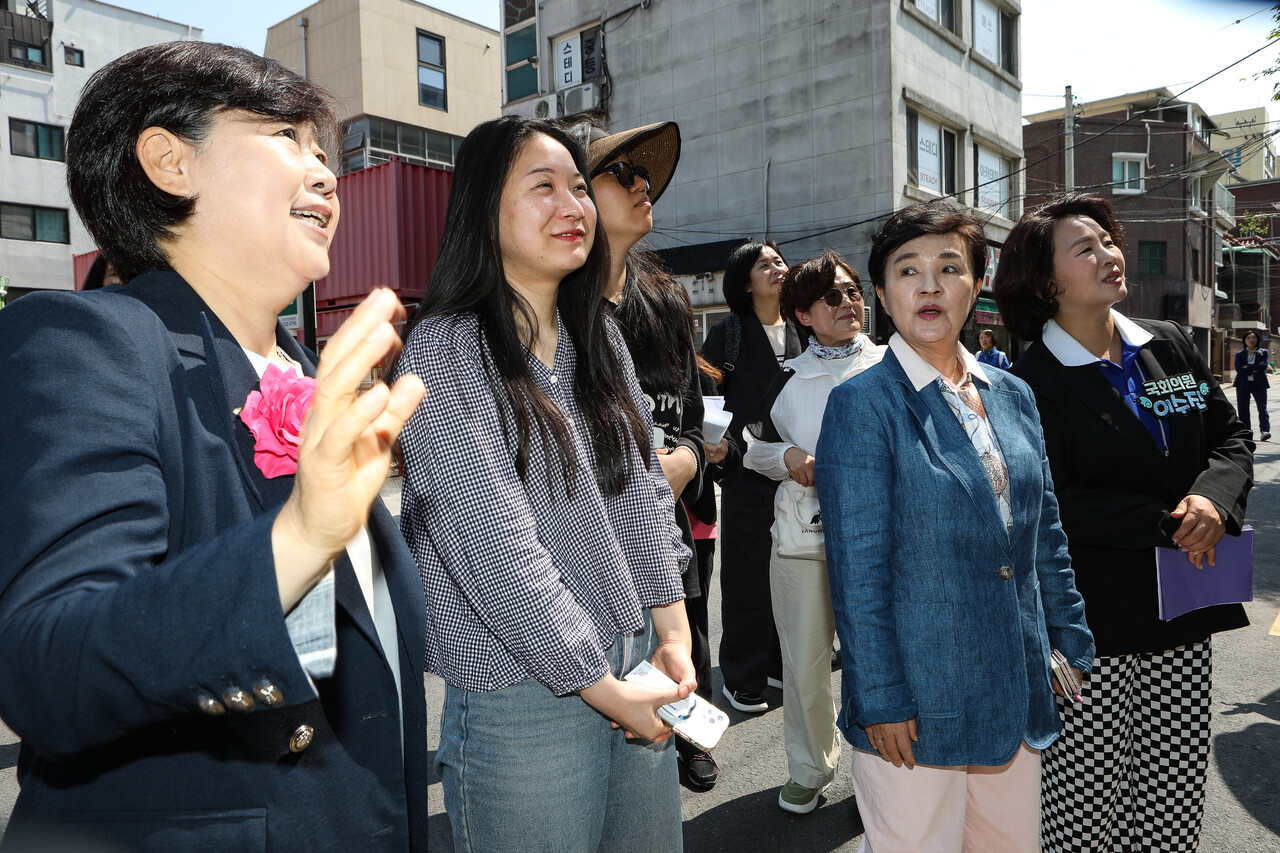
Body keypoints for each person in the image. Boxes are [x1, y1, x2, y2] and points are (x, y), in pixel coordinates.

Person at [0, 42, 429, 851]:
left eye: (323, 149)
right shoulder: (88, 342)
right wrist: (297, 537)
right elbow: (45, 665)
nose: (326, 174)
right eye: (286, 137)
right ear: (169, 160)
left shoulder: (315, 379)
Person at [391, 115, 694, 852]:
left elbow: (644, 496)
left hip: (627, 659)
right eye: (543, 187)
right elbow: (494, 550)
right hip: (517, 694)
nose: (574, 206)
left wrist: (675, 635)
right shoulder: (448, 346)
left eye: (579, 189)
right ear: (482, 210)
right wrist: (606, 689)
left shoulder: (601, 338)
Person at [815, 202, 1093, 852]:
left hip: (1015, 686)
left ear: (977, 282)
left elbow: (1044, 532)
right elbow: (858, 571)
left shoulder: (1013, 394)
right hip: (915, 703)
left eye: (950, 267)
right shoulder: (861, 405)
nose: (931, 285)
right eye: (908, 269)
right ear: (883, 292)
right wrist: (879, 696)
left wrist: (1070, 640)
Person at [993, 193, 1253, 853]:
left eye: (1108, 240)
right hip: (1090, 625)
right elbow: (1048, 497)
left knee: (1170, 792)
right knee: (1086, 803)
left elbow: (1228, 438)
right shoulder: (1029, 384)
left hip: (1185, 607)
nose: (1110, 253)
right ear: (1049, 282)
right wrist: (1167, 520)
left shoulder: (1167, 345)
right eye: (1087, 247)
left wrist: (1214, 501)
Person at [568, 115, 728, 790]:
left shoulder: (665, 299)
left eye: (646, 176)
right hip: (587, 551)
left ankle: (690, 735)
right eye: (623, 174)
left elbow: (694, 416)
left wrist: (686, 460)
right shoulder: (547, 312)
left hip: (671, 520)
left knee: (683, 636)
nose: (643, 187)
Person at [744, 250, 884, 814]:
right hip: (805, 537)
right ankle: (809, 768)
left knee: (877, 661)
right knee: (804, 665)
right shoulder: (785, 378)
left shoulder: (894, 366)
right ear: (803, 315)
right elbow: (746, 446)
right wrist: (789, 455)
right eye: (833, 296)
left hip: (882, 541)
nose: (850, 303)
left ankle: (881, 773)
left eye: (854, 292)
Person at [701, 240, 799, 713]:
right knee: (748, 581)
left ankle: (779, 663)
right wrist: (715, 447)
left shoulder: (805, 328)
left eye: (779, 261)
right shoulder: (728, 335)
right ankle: (743, 676)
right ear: (745, 281)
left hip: (800, 475)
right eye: (765, 264)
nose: (778, 268)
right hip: (744, 473)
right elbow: (702, 395)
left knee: (796, 573)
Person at [1233, 330, 1271, 441]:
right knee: (1243, 408)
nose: (1251, 340)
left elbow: (1263, 366)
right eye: (1248, 338)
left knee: (1262, 407)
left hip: (1259, 384)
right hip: (1242, 384)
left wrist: (1247, 368)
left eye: (1253, 338)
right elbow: (1238, 368)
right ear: (1244, 341)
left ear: (1258, 340)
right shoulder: (1239, 354)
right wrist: (1254, 368)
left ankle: (1265, 431)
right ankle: (1247, 430)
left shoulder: (1264, 352)